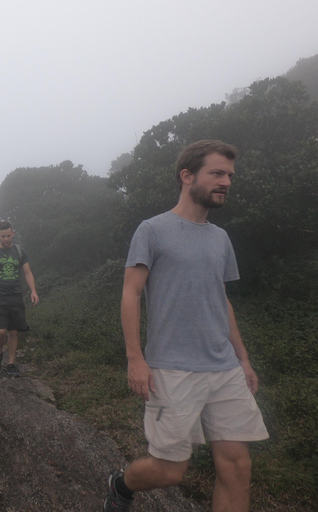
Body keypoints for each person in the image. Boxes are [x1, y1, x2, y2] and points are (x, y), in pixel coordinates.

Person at [105, 140, 269, 512]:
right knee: (169, 470)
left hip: (224, 367)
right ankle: (121, 484)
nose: (226, 181)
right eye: (217, 173)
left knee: (238, 465)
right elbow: (130, 294)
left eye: (229, 175)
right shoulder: (153, 230)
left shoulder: (220, 238)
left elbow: (220, 300)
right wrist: (135, 359)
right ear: (187, 175)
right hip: (173, 367)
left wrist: (243, 359)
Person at [0, 221, 39, 378]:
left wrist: (33, 291)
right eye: (3, 236)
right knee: (0, 331)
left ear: (13, 233)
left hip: (15, 296)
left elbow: (27, 272)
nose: (6, 239)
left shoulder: (19, 251)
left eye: (8, 235)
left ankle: (11, 363)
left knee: (13, 331)